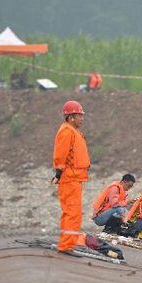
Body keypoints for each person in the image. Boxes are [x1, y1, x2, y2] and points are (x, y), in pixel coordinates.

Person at [52, 101, 90, 252]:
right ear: (71, 117)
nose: (82, 118)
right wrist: (59, 173)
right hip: (70, 178)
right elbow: (60, 155)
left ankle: (70, 243)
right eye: (79, 115)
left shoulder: (73, 131)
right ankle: (66, 245)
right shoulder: (66, 131)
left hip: (75, 178)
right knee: (72, 212)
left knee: (74, 213)